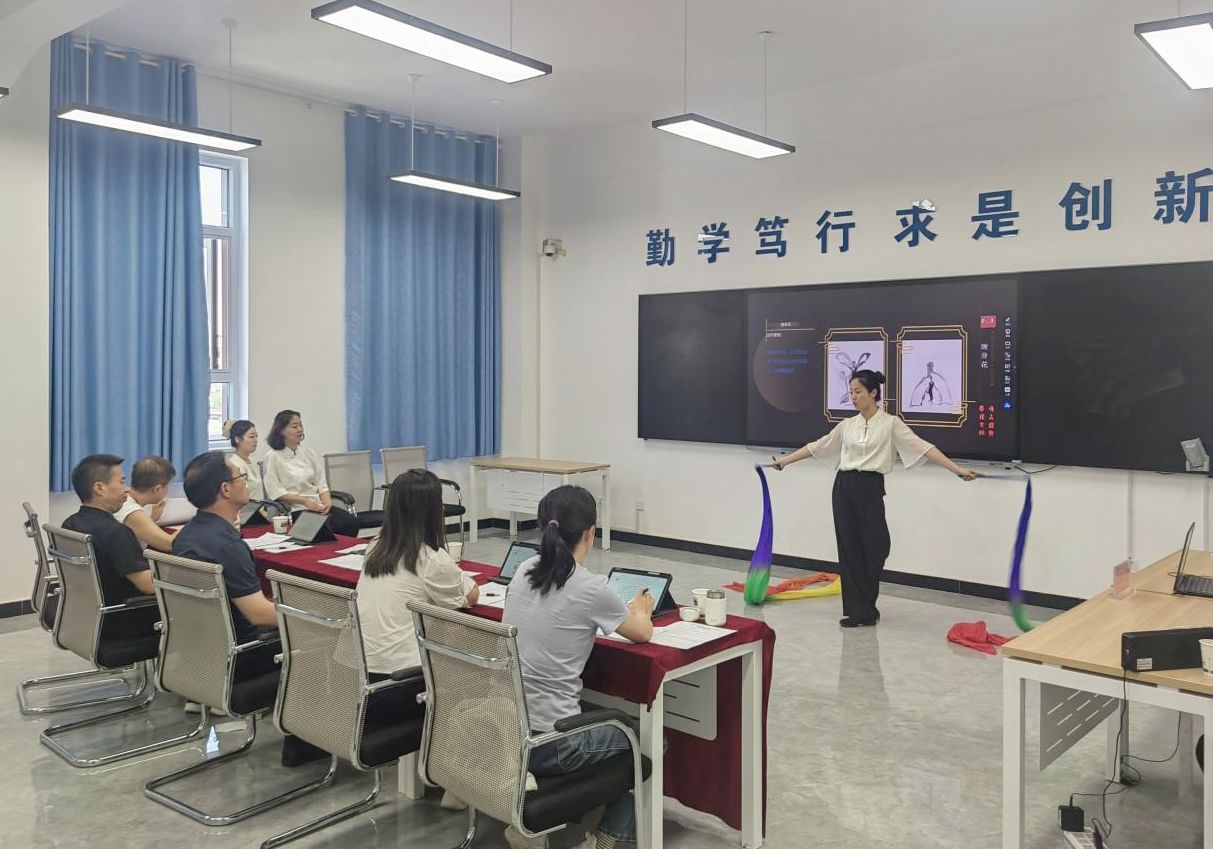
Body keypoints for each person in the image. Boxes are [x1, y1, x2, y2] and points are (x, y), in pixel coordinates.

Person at [502, 485, 654, 849]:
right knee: (650, 738)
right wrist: (641, 610)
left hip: (508, 727)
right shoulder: (591, 587)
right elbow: (642, 634)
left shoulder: (524, 569)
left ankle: (570, 811)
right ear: (590, 533)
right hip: (553, 743)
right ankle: (610, 835)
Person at [772, 369, 976, 627]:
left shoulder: (890, 423)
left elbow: (923, 446)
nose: (853, 397)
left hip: (870, 487)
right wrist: (785, 461)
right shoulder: (847, 425)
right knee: (849, 548)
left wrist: (956, 470)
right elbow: (817, 446)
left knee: (877, 546)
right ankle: (858, 612)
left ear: (873, 393)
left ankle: (866, 605)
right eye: (851, 392)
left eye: (858, 392)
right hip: (844, 486)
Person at [173, 450, 326, 766]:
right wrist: (315, 613)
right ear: (226, 490)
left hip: (198, 654)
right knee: (324, 637)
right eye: (241, 477)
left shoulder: (187, 535)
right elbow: (259, 615)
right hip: (239, 659)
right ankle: (308, 741)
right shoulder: (227, 545)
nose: (247, 482)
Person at [356, 468, 477, 810]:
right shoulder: (432, 560)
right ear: (433, 511)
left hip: (364, 681)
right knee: (483, 676)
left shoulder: (374, 549)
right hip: (402, 689)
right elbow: (472, 596)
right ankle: (459, 778)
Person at [61, 454, 158, 637]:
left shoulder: (70, 524)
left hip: (87, 616)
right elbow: (149, 586)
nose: (127, 489)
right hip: (123, 619)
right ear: (100, 488)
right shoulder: (116, 533)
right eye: (121, 482)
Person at [262, 409, 360, 537]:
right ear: (281, 430)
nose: (299, 429)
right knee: (324, 529)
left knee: (351, 522)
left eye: (300, 425)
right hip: (296, 509)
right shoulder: (273, 456)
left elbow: (321, 482)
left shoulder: (308, 453)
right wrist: (305, 501)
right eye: (294, 426)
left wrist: (327, 503)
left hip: (317, 506)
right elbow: (275, 491)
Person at [114, 456, 177, 552]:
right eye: (168, 486)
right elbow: (169, 544)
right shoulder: (130, 510)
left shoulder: (125, 498)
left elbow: (133, 529)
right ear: (157, 489)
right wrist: (194, 523)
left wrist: (152, 518)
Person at [223, 419, 265, 502]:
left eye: (256, 436)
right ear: (237, 439)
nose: (255, 440)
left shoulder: (252, 462)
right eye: (251, 437)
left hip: (259, 507)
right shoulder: (234, 465)